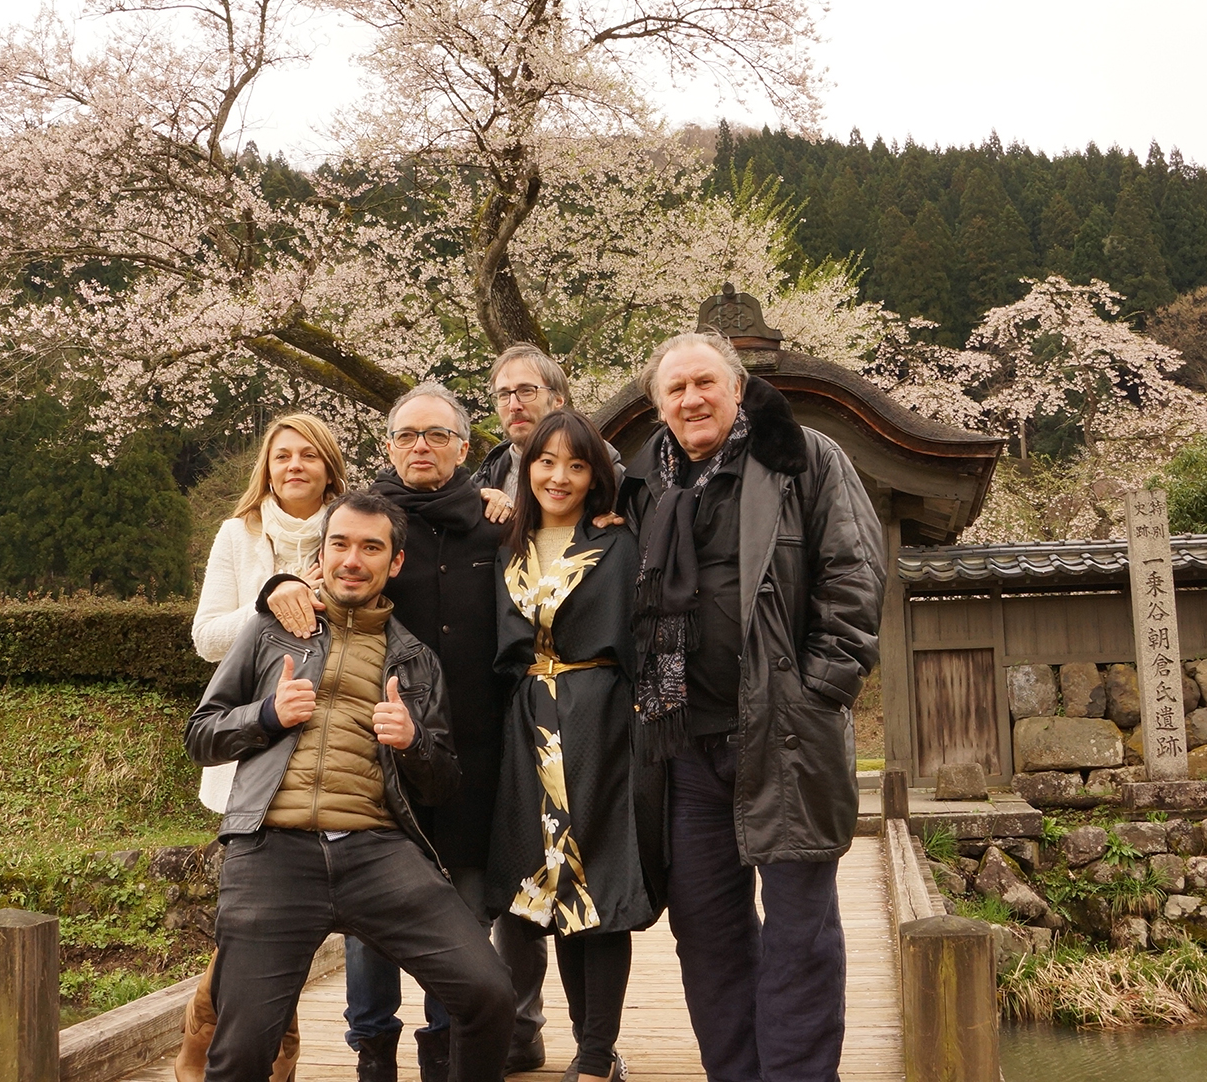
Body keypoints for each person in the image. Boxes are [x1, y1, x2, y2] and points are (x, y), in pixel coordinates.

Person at [617, 331, 885, 1082]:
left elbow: (855, 573)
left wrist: (818, 689)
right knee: (707, 936)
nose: (691, 399)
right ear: (658, 407)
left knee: (800, 935)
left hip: (785, 735)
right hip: (683, 748)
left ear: (737, 389)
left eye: (705, 382)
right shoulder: (641, 487)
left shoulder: (803, 458)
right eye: (675, 389)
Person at [267, 382, 545, 1082]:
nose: (421, 447)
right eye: (407, 435)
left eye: (437, 435)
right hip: (378, 751)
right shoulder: (369, 521)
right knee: (372, 920)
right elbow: (317, 585)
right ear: (388, 445)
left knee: (463, 912)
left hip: (471, 750)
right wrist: (279, 586)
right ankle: (373, 1053)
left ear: (464, 447)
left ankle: (448, 1052)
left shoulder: (496, 526)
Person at [186, 491, 514, 1082]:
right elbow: (201, 734)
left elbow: (442, 782)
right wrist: (266, 715)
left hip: (375, 852)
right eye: (339, 544)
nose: (353, 560)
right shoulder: (269, 633)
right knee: (241, 1053)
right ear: (322, 554)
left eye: (371, 547)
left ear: (395, 562)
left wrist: (412, 741)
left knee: (488, 993)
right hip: (272, 850)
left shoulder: (416, 660)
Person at [485, 409, 660, 1082]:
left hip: (600, 721)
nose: (559, 476)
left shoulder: (618, 542)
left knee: (598, 881)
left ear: (596, 477)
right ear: (526, 468)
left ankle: (593, 1058)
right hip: (526, 725)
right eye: (546, 461)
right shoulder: (506, 545)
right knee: (552, 886)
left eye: (577, 465)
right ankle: (590, 1051)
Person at [178, 414, 348, 1082]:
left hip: (331, 750)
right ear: (267, 469)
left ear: (329, 467)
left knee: (277, 923)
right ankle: (269, 1055)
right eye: (282, 456)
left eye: (309, 455)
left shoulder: (354, 530)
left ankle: (208, 1033)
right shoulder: (238, 534)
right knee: (257, 922)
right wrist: (272, 600)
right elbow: (206, 637)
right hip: (251, 743)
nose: (295, 466)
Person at [473, 344, 621, 521]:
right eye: (503, 395)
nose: (513, 406)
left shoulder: (612, 476)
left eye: (526, 391)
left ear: (557, 400)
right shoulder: (484, 482)